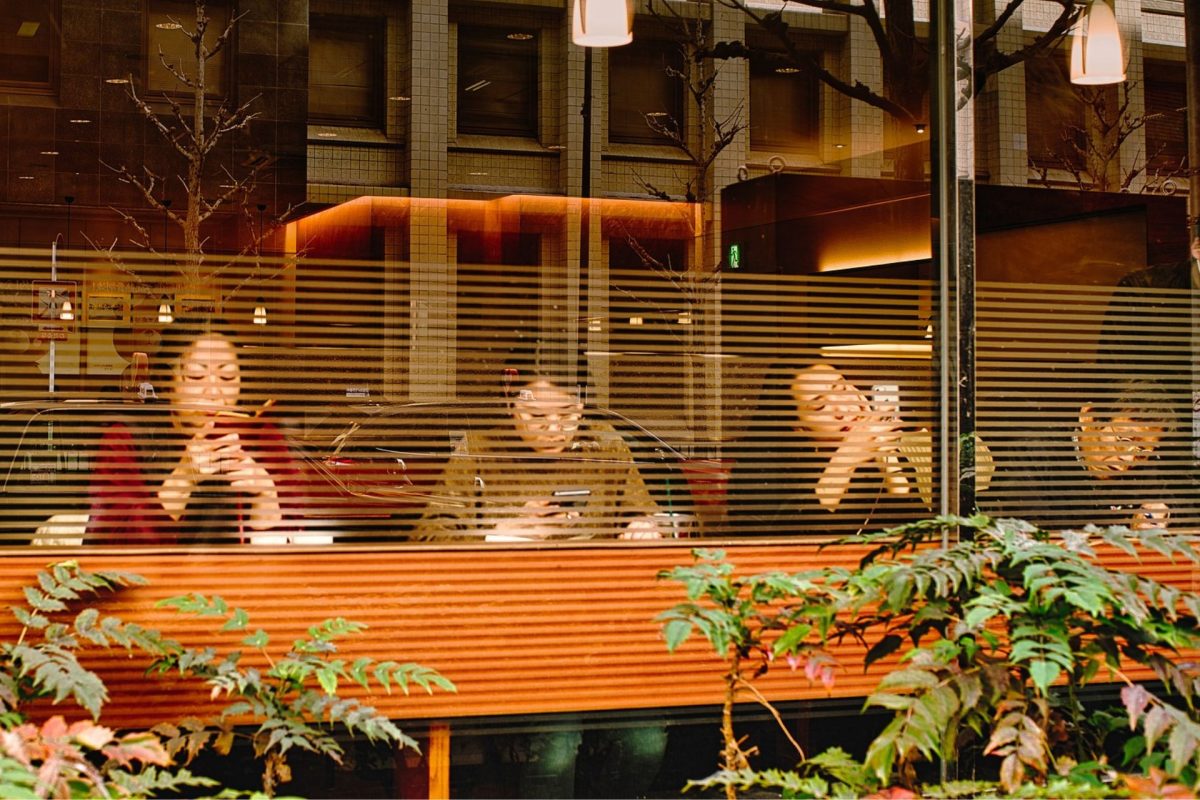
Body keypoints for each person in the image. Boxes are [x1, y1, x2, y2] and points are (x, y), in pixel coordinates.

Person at [85, 316, 312, 545]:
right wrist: (183, 477)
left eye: (227, 376)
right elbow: (111, 542)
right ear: (166, 382)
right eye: (196, 375)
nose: (213, 392)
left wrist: (266, 498)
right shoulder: (127, 438)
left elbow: (294, 540)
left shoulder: (261, 438)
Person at [414, 357, 664, 541]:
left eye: (567, 415)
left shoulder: (602, 444)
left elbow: (643, 512)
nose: (554, 429)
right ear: (511, 405)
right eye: (537, 416)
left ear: (581, 406)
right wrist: (498, 536)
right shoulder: (480, 449)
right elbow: (429, 534)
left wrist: (642, 526)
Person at [726, 361, 933, 536]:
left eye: (842, 389)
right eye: (820, 406)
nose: (843, 409)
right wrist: (845, 460)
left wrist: (885, 457)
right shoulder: (766, 471)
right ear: (799, 427)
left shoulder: (875, 453)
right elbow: (793, 546)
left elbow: (919, 533)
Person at [985, 378, 1185, 531]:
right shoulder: (1036, 454)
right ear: (1089, 418)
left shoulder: (1142, 467)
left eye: (1142, 452)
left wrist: (1160, 514)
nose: (1128, 458)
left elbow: (1172, 505)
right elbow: (1019, 529)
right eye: (1123, 440)